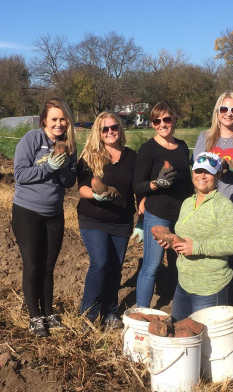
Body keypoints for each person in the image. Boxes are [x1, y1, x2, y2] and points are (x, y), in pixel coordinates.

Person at [158, 152, 233, 335]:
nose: (202, 176)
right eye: (198, 170)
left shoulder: (223, 206)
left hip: (211, 286)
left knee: (213, 338)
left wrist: (196, 247)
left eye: (208, 172)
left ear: (218, 176)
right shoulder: (187, 203)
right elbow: (185, 237)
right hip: (184, 283)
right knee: (179, 332)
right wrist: (171, 242)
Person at [11, 98, 78, 337]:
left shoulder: (69, 145)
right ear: (44, 121)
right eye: (54, 119)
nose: (59, 124)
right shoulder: (31, 140)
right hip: (27, 211)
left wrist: (64, 166)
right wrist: (48, 166)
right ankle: (35, 317)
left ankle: (49, 312)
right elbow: (19, 174)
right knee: (33, 264)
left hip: (54, 213)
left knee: (49, 267)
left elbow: (70, 182)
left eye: (62, 119)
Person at [193, 92, 233, 303]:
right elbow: (196, 170)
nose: (228, 114)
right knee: (210, 257)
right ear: (217, 112)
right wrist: (217, 169)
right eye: (224, 109)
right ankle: (210, 299)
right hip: (209, 206)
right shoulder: (205, 138)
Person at [76, 112, 136, 330]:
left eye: (114, 128)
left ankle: (110, 312)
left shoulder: (132, 157)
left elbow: (136, 188)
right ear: (99, 133)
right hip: (93, 218)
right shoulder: (90, 156)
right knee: (100, 262)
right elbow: (82, 187)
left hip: (121, 219)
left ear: (120, 129)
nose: (110, 132)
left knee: (115, 267)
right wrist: (97, 195)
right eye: (105, 129)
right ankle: (88, 316)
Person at [133, 101, 192, 308]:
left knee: (181, 263)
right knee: (152, 265)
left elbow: (188, 183)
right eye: (157, 120)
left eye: (166, 119)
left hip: (182, 214)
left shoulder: (183, 147)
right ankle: (142, 311)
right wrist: (156, 184)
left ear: (174, 120)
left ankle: (180, 308)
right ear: (152, 124)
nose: (162, 124)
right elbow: (137, 185)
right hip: (158, 214)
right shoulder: (148, 149)